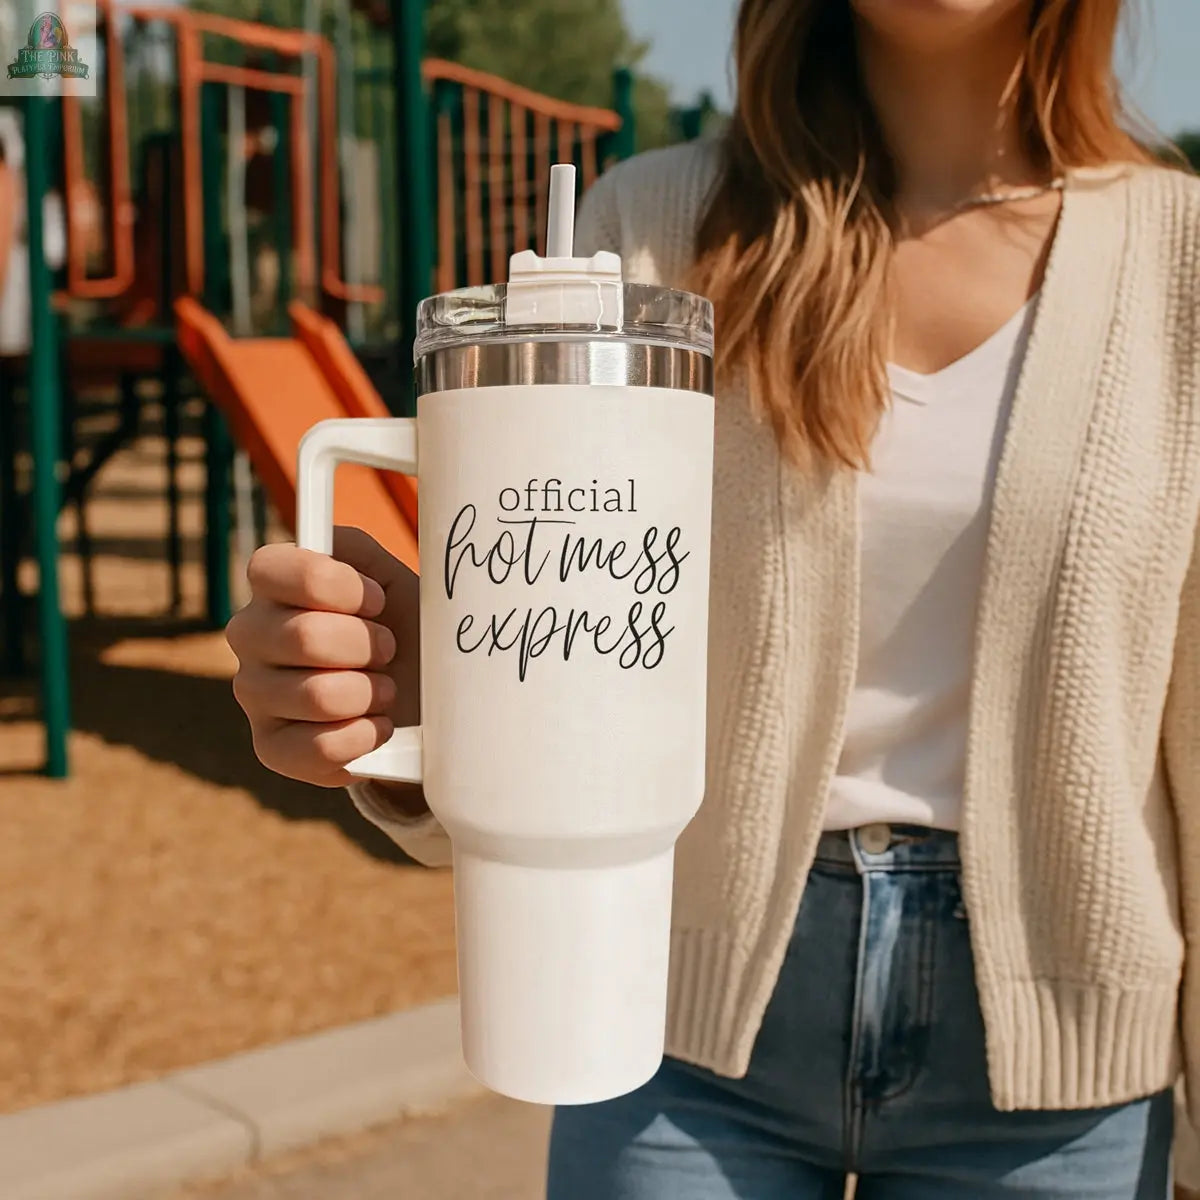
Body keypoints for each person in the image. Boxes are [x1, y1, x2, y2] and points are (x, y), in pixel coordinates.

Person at [226, 0, 1200, 1195]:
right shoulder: (647, 224)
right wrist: (434, 690)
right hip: (676, 1033)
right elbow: (572, 629)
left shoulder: (1183, 259)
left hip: (1063, 1066)